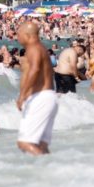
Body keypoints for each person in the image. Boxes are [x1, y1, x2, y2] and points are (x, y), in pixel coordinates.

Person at [16, 21, 58, 156]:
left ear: (27, 35)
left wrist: (22, 95)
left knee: (24, 143)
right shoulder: (41, 48)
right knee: (41, 145)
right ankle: (50, 171)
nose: (17, 38)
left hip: (40, 98)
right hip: (48, 97)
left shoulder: (33, 48)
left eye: (19, 34)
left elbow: (35, 70)